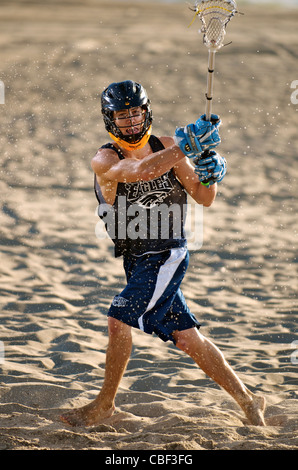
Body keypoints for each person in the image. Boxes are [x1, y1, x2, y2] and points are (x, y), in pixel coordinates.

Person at [60, 80, 266, 427]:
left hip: (168, 254)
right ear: (109, 119)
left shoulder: (168, 146)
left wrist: (211, 173)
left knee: (117, 319)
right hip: (137, 261)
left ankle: (104, 404)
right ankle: (248, 401)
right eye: (122, 115)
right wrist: (187, 146)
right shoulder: (105, 159)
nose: (131, 121)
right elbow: (142, 171)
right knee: (189, 338)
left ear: (147, 111)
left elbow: (204, 197)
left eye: (136, 112)